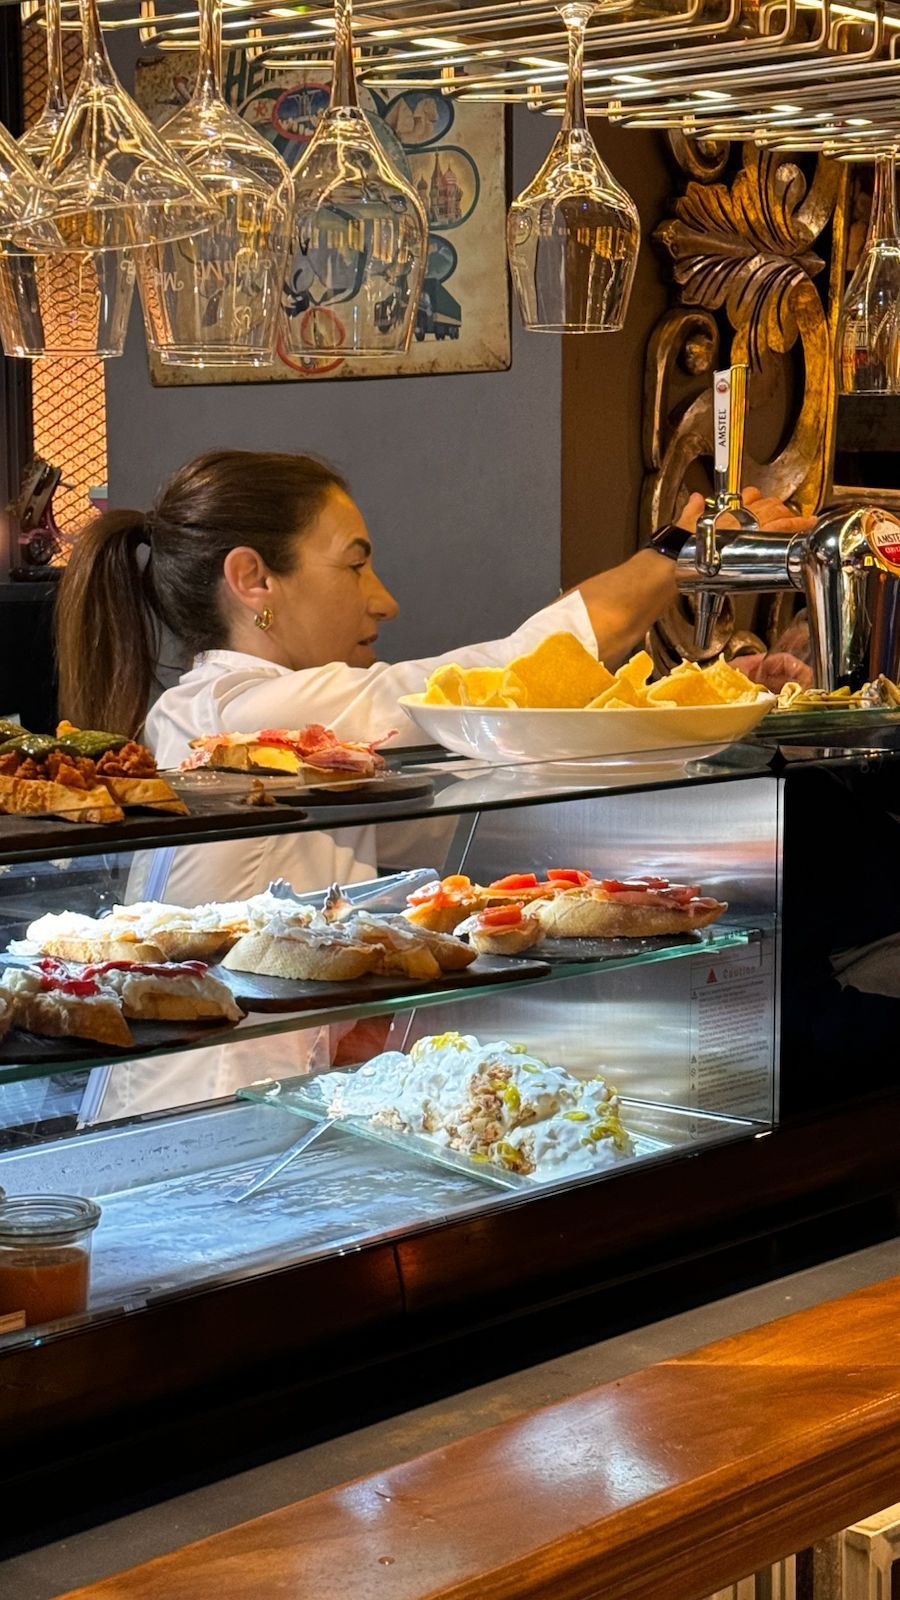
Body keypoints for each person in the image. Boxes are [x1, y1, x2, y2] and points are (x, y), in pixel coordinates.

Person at [54, 451, 814, 1113]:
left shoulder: (246, 719)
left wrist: (686, 701)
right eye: (355, 563)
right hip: (201, 1102)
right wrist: (676, 547)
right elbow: (514, 672)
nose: (382, 599)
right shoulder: (239, 710)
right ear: (253, 579)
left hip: (244, 1082)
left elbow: (477, 792)